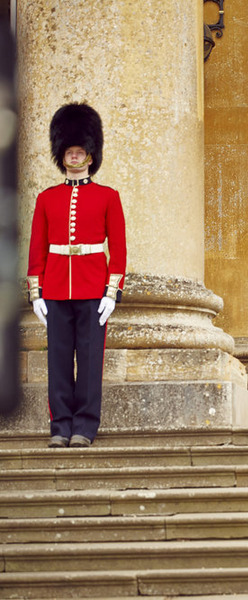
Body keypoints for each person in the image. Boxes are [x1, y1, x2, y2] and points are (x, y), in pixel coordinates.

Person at [26, 103, 127, 448]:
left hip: (93, 288)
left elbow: (119, 249)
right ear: (62, 154)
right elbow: (37, 247)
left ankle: (84, 425)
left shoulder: (108, 197)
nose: (74, 155)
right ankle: (60, 426)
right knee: (57, 360)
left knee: (89, 361)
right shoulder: (46, 199)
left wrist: (111, 292)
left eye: (79, 150)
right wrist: (36, 292)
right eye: (69, 150)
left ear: (90, 154)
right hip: (55, 287)